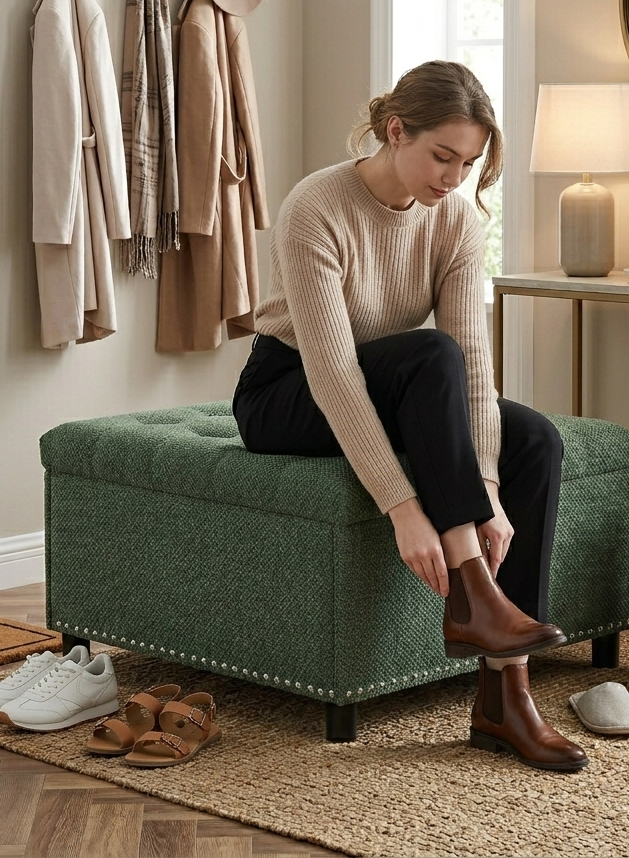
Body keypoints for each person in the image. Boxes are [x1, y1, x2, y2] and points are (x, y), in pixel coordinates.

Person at [233, 60, 587, 772]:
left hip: (397, 389)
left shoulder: (455, 219)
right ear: (396, 132)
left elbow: (475, 369)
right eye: (443, 156)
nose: (454, 178)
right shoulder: (316, 207)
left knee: (535, 441)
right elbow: (334, 374)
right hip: (287, 393)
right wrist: (403, 507)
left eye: (470, 163)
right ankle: (473, 589)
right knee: (429, 356)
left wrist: (485, 488)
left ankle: (503, 697)